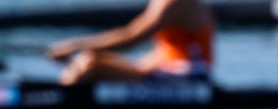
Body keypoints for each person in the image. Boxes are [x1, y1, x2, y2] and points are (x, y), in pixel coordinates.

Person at [46, 0, 215, 85]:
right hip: (169, 71)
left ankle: (56, 96)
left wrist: (74, 46)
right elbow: (166, 51)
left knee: (91, 63)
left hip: (191, 78)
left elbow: (131, 37)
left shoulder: (176, 3)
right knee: (89, 59)